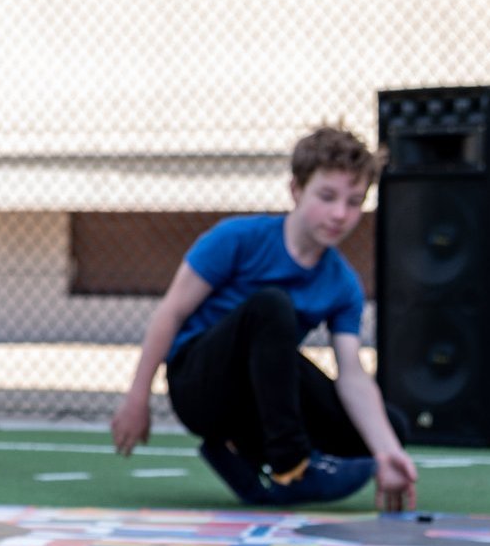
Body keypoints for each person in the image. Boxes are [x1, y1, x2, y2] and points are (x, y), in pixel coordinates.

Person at [110, 126, 419, 511]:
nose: (340, 214)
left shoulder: (342, 284)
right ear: (295, 191)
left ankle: (241, 454)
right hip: (200, 385)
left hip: (260, 396)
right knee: (272, 306)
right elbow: (171, 312)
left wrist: (387, 452)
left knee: (390, 427)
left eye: (354, 202)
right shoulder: (237, 239)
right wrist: (137, 397)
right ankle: (291, 466)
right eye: (327, 197)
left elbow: (352, 374)